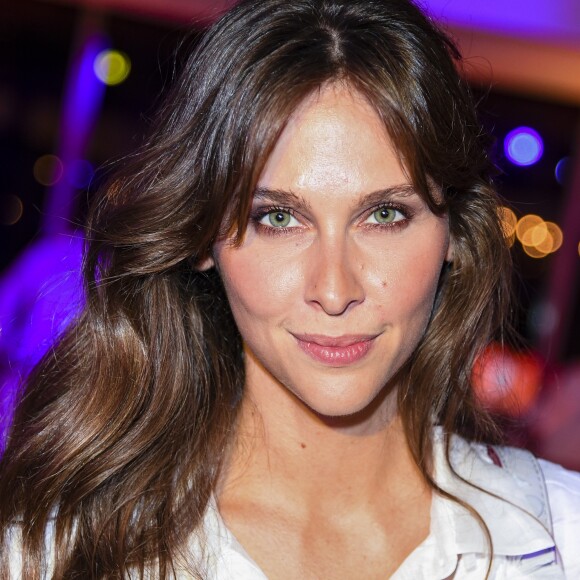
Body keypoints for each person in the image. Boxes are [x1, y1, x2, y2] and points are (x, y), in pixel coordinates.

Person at [1, 0, 579, 578]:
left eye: (384, 214)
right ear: (204, 238)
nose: (333, 290)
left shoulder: (562, 536)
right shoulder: (55, 548)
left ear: (452, 232)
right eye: (278, 219)